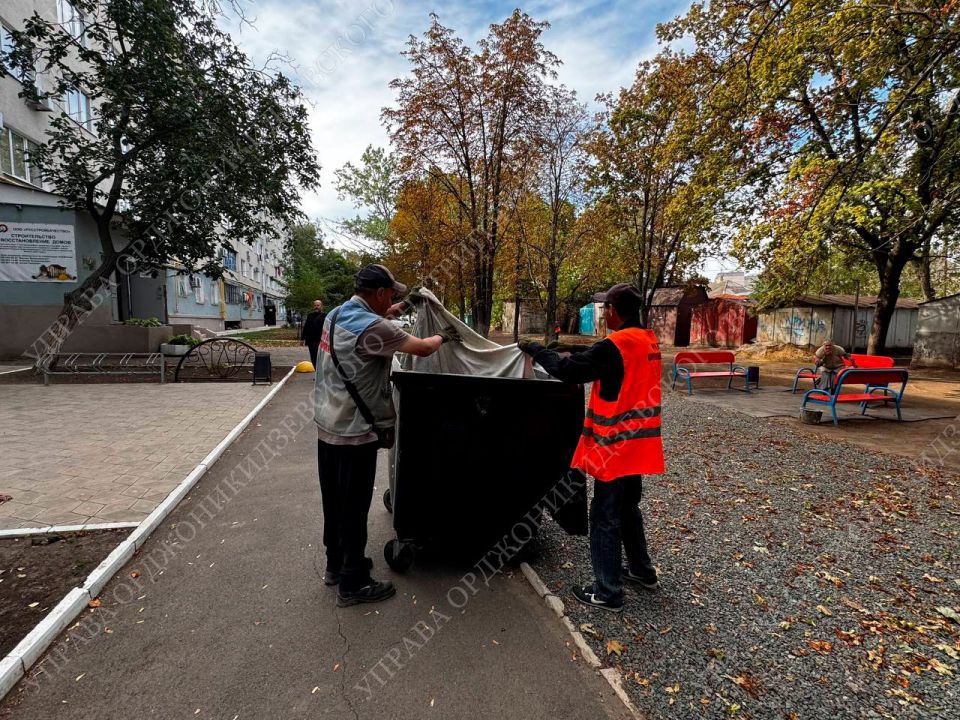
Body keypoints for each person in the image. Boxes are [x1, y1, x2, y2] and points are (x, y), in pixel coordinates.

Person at [314, 265, 461, 607]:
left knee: (334, 504)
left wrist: (407, 305)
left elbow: (386, 317)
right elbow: (423, 348)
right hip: (355, 433)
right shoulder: (373, 328)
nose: (393, 300)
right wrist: (445, 335)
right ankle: (353, 583)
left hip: (326, 427)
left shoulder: (336, 315)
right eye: (391, 294)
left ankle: (335, 565)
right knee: (354, 508)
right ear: (378, 293)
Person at [519, 283, 664, 613]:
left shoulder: (615, 345)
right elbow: (602, 361)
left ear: (613, 311)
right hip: (639, 444)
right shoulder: (648, 339)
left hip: (614, 447)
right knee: (628, 508)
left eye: (605, 311)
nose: (603, 317)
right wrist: (566, 348)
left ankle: (608, 591)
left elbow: (568, 372)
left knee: (604, 516)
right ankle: (642, 571)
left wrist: (538, 350)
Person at [301, 299, 326, 368]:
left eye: (318, 305)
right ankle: (316, 374)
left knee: (321, 359)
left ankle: (322, 375)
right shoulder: (310, 315)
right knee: (313, 359)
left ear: (321, 306)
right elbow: (306, 327)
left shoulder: (325, 316)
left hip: (321, 341)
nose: (316, 307)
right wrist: (302, 339)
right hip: (311, 341)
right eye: (315, 305)